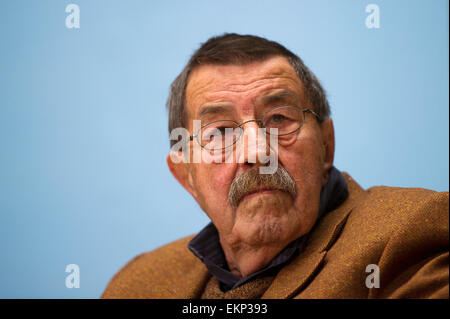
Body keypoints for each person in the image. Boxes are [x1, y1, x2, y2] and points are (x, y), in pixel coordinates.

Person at [102, 33, 448, 299]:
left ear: (326, 145)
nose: (257, 151)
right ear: (186, 176)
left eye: (279, 118)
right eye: (220, 131)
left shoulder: (409, 233)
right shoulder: (136, 284)